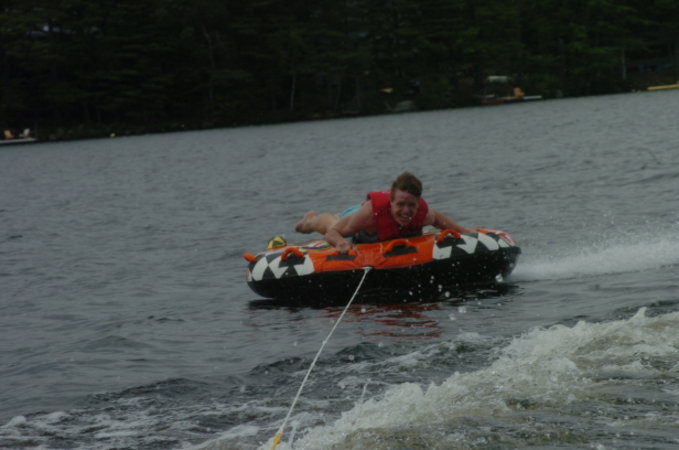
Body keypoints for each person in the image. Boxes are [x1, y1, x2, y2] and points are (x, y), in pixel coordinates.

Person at [295, 172, 472, 253]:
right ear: (391, 202)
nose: (406, 211)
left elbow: (439, 219)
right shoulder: (369, 216)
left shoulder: (423, 214)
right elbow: (332, 233)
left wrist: (465, 231)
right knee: (330, 223)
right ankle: (308, 220)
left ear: (418, 203)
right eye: (400, 204)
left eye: (411, 205)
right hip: (358, 218)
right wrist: (341, 243)